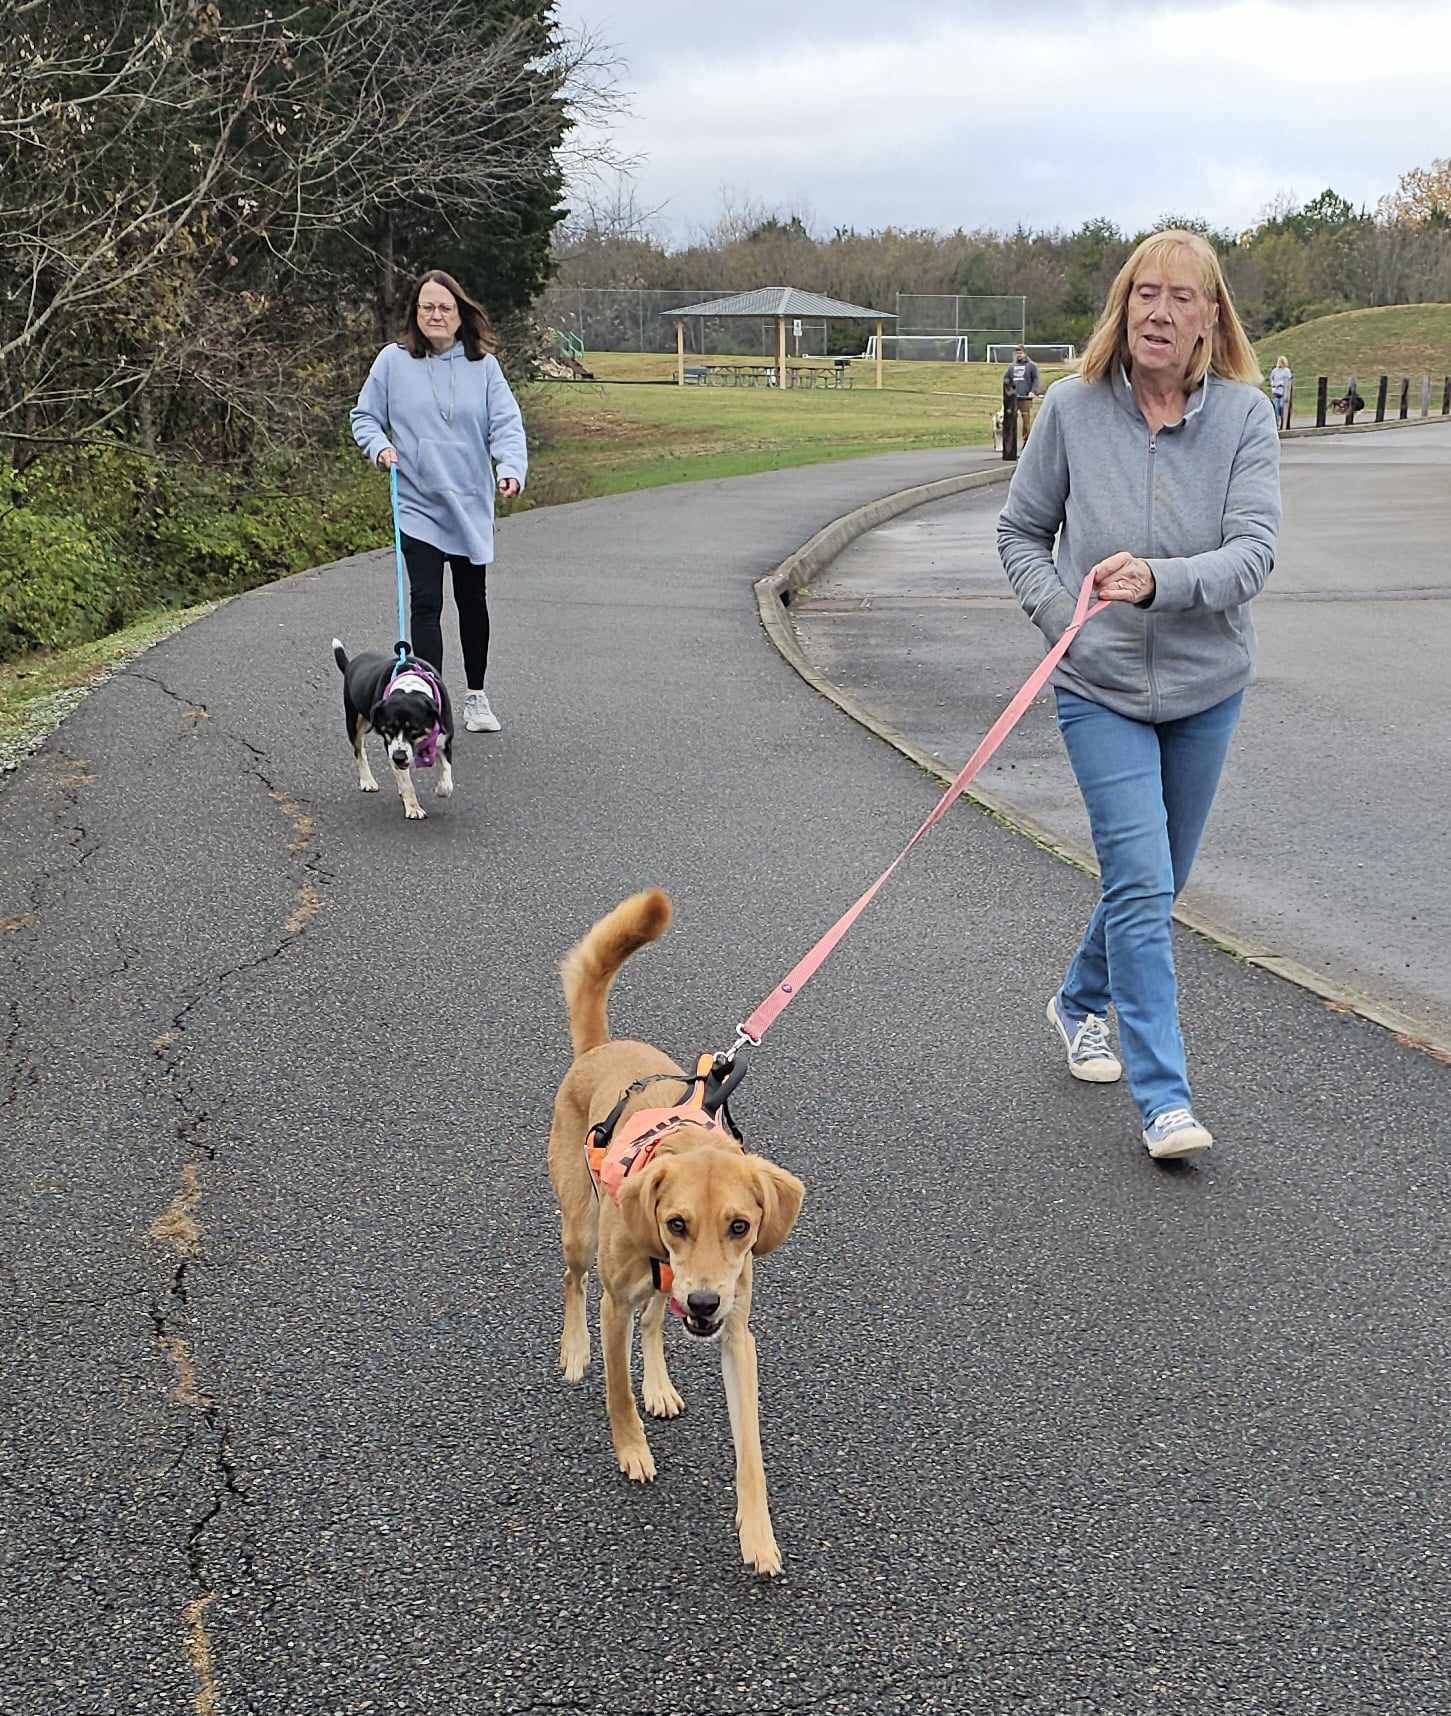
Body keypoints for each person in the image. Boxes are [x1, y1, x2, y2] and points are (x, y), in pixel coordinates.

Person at [996, 229, 1280, 1160]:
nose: (1158, 312)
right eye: (1143, 294)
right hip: (1099, 685)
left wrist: (1163, 580)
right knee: (1142, 880)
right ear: (1123, 307)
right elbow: (1020, 533)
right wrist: (1059, 617)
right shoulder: (1073, 411)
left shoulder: (1243, 416)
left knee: (1155, 882)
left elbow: (1253, 553)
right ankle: (1164, 1098)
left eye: (1179, 298)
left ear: (1209, 318)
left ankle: (1077, 1000)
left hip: (1207, 686)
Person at [350, 269, 527, 733]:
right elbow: (364, 416)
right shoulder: (392, 361)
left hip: (468, 501)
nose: (435, 314)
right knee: (426, 603)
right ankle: (433, 701)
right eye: (427, 307)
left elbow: (506, 425)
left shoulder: (483, 365)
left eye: (444, 307)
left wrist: (510, 469)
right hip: (417, 502)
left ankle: (476, 696)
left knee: (472, 601)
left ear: (459, 313)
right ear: (415, 313)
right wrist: (380, 447)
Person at [1003, 345, 1042, 445]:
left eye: (1020, 353)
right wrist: (1008, 392)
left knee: (1026, 421)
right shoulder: (1012, 367)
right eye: (1017, 353)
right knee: (1011, 421)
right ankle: (1011, 444)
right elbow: (1006, 379)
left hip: (1025, 398)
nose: (1019, 355)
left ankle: (1027, 443)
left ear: (1025, 353)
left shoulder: (1031, 366)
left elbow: (1036, 379)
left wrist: (1033, 391)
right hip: (1013, 398)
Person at [1268, 353, 1293, 430]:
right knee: (1276, 409)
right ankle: (1277, 424)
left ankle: (1284, 424)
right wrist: (1273, 385)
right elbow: (1271, 379)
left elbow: (1288, 381)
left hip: (1283, 392)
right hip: (1276, 392)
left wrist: (1280, 384)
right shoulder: (1275, 371)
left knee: (1283, 408)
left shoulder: (1286, 371)